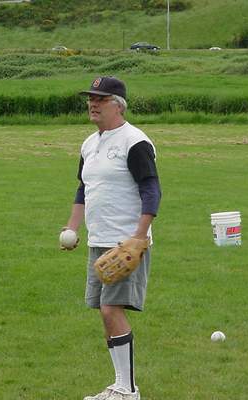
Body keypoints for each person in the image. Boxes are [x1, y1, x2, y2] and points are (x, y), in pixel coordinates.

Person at [62, 77, 161, 400]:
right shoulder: (89, 144)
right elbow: (83, 189)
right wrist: (72, 227)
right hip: (98, 240)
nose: (93, 103)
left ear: (118, 105)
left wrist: (138, 237)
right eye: (91, 98)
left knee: (110, 310)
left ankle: (127, 390)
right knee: (104, 312)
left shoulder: (135, 142)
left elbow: (152, 190)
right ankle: (119, 385)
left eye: (100, 99)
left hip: (126, 243)